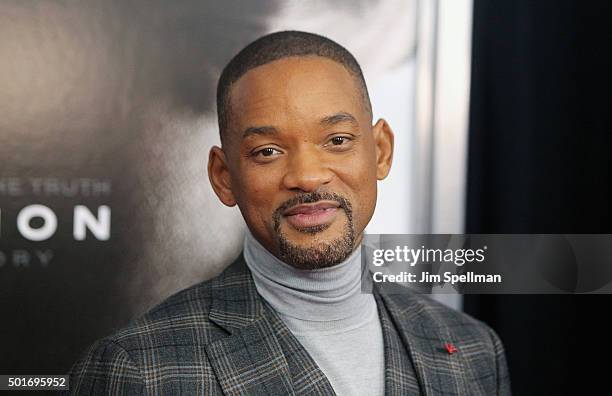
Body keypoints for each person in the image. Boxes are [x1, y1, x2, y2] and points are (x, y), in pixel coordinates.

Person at [67, 30, 511, 395]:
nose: (308, 176)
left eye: (337, 141)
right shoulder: (139, 370)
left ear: (380, 151)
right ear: (223, 176)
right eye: (268, 151)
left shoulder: (472, 350)